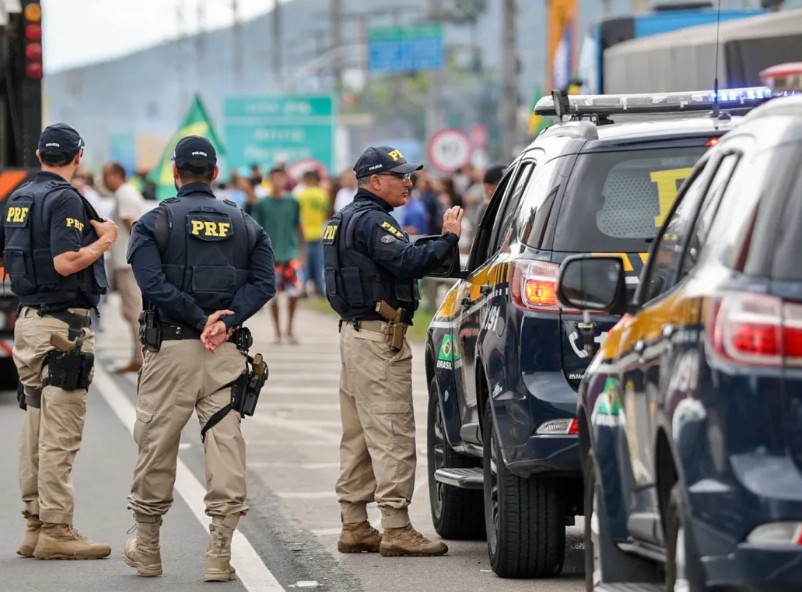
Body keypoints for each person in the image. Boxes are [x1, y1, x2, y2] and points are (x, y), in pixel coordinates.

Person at [123, 136, 276, 581]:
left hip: (171, 352)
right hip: (225, 353)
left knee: (156, 444)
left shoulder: (154, 222)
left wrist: (196, 317)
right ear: (213, 173)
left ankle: (148, 550)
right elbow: (264, 284)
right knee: (225, 445)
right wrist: (224, 322)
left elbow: (150, 283)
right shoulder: (246, 224)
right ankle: (219, 556)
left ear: (175, 172)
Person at [323, 146, 463, 557]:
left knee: (360, 437)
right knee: (391, 432)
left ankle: (355, 524)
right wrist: (449, 238)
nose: (409, 182)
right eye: (399, 175)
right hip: (379, 339)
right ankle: (396, 528)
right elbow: (405, 262)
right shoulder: (373, 221)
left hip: (355, 335)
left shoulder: (343, 219)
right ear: (374, 181)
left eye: (409, 175)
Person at [0, 123, 117, 560]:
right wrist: (104, 240)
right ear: (78, 157)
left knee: (33, 426)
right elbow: (67, 261)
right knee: (60, 432)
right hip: (61, 327)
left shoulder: (18, 197)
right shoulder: (65, 198)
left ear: (37, 153)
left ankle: (34, 525)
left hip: (27, 321)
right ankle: (57, 529)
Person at [251, 167, 305, 344]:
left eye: (281, 178)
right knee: (273, 296)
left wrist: (302, 252)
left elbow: (299, 227)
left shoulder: (293, 202)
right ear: (269, 180)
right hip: (270, 256)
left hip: (291, 253)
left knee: (294, 294)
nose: (277, 181)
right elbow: (255, 230)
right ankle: (277, 332)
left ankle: (290, 328)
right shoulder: (261, 204)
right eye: (274, 178)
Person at [102, 161, 146, 373]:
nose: (103, 180)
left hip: (128, 265)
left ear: (115, 175)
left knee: (134, 312)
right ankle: (138, 357)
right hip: (127, 263)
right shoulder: (127, 192)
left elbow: (133, 227)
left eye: (106, 175)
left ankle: (142, 359)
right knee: (130, 312)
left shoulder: (123, 194)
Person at [296, 169, 329, 296]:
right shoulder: (323, 194)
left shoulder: (300, 195)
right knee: (319, 262)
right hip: (319, 231)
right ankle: (320, 288)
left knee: (304, 263)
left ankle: (303, 288)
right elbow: (326, 212)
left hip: (304, 232)